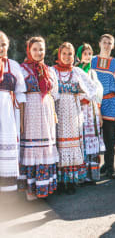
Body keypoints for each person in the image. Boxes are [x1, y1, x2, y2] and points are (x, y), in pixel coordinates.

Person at [53, 42, 96, 194]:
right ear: (59, 54)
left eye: (70, 54)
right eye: (64, 53)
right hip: (57, 111)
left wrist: (82, 96)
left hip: (73, 111)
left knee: (72, 146)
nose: (66, 57)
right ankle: (59, 181)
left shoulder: (77, 71)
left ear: (74, 56)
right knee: (58, 145)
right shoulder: (53, 71)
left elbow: (92, 88)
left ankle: (70, 181)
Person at [19, 36, 59, 200]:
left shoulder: (49, 70)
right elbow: (19, 93)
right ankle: (32, 189)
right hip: (31, 111)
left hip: (47, 111)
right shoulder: (22, 69)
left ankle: (44, 188)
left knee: (46, 147)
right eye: (35, 49)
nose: (38, 52)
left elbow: (54, 93)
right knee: (32, 148)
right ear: (29, 50)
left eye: (41, 49)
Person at [92, 34, 115, 179]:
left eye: (109, 43)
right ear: (99, 43)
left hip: (110, 103)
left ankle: (110, 168)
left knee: (110, 138)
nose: (106, 45)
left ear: (113, 46)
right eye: (104, 42)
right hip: (93, 104)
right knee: (92, 137)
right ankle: (91, 169)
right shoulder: (91, 61)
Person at [0, 31, 26, 192]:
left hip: (8, 113)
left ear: (8, 46)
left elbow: (21, 93)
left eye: (3, 44)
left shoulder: (14, 66)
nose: (0, 48)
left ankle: (8, 190)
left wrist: (21, 120)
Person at [75, 43, 104, 185]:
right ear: (79, 55)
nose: (87, 56)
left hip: (91, 108)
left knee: (92, 139)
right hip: (79, 108)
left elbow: (98, 91)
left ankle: (92, 175)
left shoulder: (93, 73)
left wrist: (98, 113)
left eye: (89, 54)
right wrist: (82, 97)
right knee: (82, 140)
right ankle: (82, 175)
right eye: (85, 53)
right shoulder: (74, 70)